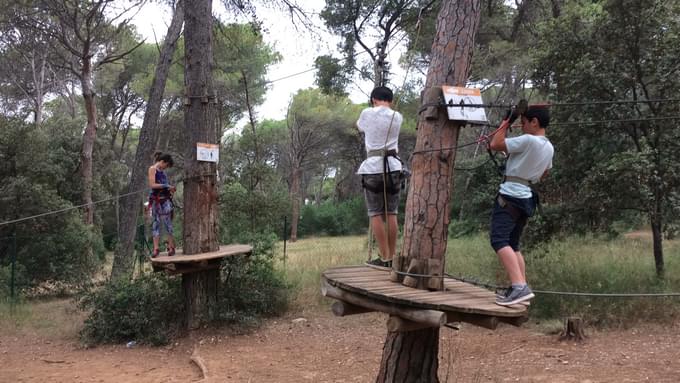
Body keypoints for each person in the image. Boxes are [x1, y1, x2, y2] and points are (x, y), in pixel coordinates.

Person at [488, 105, 554, 306]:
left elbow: (495, 143)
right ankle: (521, 287)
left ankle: (518, 286)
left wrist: (507, 120)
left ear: (534, 122)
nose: (522, 126)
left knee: (498, 240)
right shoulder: (549, 147)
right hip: (527, 196)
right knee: (513, 244)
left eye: (524, 122)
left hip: (510, 194)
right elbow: (544, 173)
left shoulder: (528, 140)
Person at [357, 86, 403, 270]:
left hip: (373, 166)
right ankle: (393, 256)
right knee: (391, 213)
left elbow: (359, 126)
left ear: (374, 99)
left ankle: (384, 257)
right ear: (390, 100)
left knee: (375, 213)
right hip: (393, 166)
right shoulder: (397, 117)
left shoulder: (367, 113)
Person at [148, 151, 176, 257]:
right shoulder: (152, 169)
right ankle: (156, 249)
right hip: (156, 201)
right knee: (156, 224)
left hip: (165, 200)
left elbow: (164, 187)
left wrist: (170, 190)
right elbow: (152, 184)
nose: (166, 167)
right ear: (163, 161)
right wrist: (167, 186)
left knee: (168, 223)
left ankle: (171, 246)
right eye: (167, 165)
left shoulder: (163, 173)